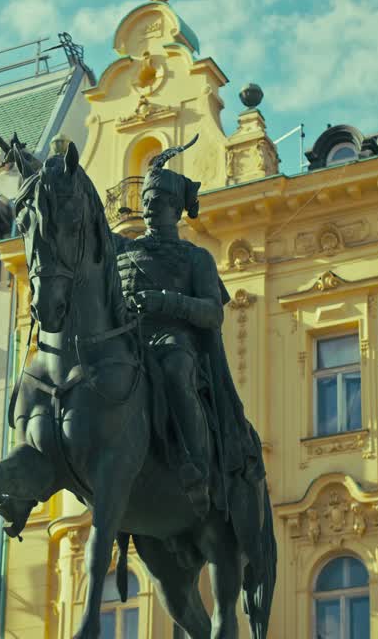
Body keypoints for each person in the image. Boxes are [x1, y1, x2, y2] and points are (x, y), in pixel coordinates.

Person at [117, 153, 259, 516]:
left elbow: (212, 313)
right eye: (146, 202)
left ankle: (195, 466)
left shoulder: (196, 259)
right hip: (127, 342)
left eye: (158, 202)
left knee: (177, 370)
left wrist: (165, 302)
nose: (149, 209)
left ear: (176, 208)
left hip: (175, 343)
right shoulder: (124, 252)